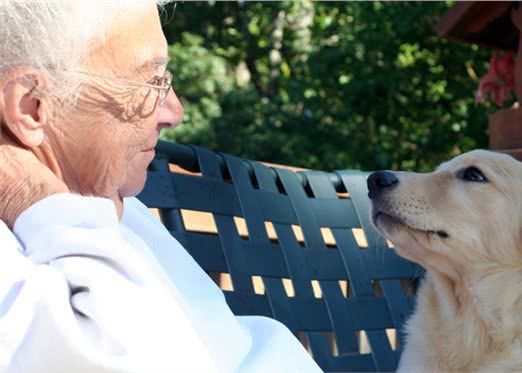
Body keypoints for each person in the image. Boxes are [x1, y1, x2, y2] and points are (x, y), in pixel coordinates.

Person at [0, 1, 322, 372]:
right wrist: (38, 199)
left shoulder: (109, 204)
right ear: (32, 106)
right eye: (152, 82)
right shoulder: (47, 224)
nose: (174, 111)